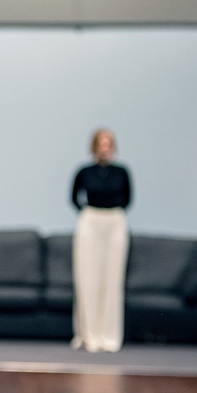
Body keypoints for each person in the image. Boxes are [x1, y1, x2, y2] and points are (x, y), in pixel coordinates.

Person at [70, 128, 133, 353]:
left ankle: (109, 335)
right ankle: (89, 334)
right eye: (101, 143)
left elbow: (128, 198)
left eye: (109, 144)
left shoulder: (122, 172)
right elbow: (73, 197)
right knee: (88, 278)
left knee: (112, 279)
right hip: (90, 222)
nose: (105, 148)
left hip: (114, 222)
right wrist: (90, 213)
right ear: (95, 146)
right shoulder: (84, 172)